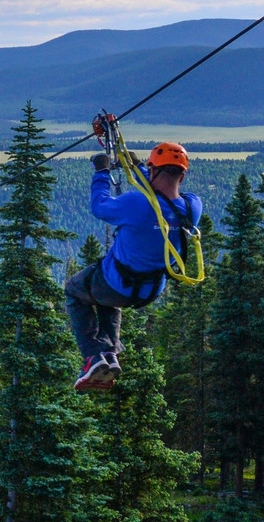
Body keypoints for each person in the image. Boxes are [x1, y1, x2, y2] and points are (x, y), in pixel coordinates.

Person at [65, 142, 202, 389]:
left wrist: (101, 172)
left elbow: (99, 206)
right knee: (109, 296)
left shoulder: (135, 204)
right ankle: (110, 355)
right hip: (150, 291)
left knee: (75, 290)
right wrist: (138, 166)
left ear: (153, 172)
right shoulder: (192, 208)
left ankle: (92, 356)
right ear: (182, 175)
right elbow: (163, 198)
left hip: (117, 284)